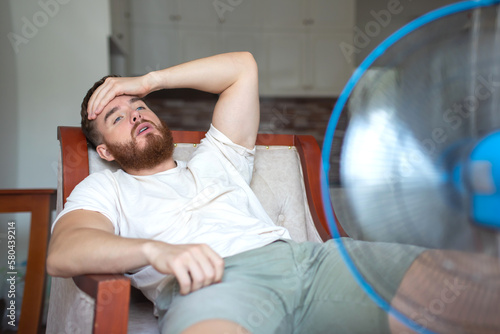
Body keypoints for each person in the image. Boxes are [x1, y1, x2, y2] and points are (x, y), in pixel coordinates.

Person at [47, 52, 499, 334]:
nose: (136, 114)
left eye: (139, 106)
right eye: (118, 117)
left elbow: (242, 68)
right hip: (209, 287)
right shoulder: (105, 188)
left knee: (474, 287)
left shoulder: (215, 158)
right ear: (104, 150)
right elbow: (64, 251)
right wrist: (155, 250)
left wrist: (146, 81)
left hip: (307, 262)